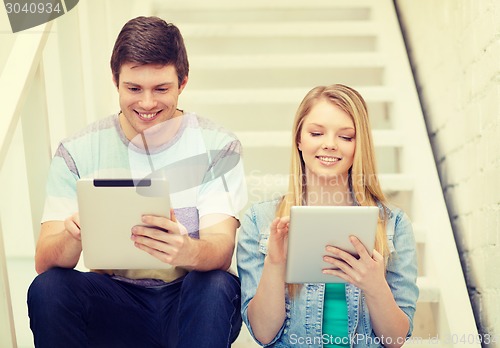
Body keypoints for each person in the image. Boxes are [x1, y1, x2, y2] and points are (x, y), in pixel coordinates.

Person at [27, 16, 247, 348]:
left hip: (189, 301)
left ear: (182, 83)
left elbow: (221, 248)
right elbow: (45, 260)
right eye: (133, 89)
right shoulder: (77, 150)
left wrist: (186, 249)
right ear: (115, 81)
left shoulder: (218, 146)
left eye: (161, 88)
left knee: (216, 283)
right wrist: (75, 236)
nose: (146, 103)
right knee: (48, 288)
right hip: (116, 299)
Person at [237, 84, 419, 348]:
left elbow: (396, 339)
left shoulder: (393, 224)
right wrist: (275, 263)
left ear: (360, 146)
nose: (330, 144)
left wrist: (375, 286)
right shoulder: (260, 220)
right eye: (316, 133)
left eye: (346, 137)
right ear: (299, 139)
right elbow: (264, 334)